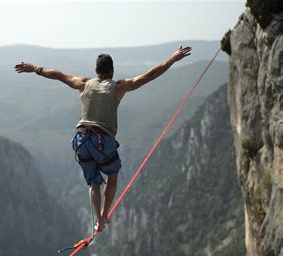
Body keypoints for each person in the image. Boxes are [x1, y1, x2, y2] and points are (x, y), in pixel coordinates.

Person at [14, 46, 192, 232]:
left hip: (81, 139)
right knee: (112, 176)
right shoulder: (118, 87)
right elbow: (148, 76)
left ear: (95, 71)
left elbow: (57, 74)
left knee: (94, 182)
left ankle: (96, 217)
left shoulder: (83, 83)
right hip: (102, 140)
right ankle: (103, 216)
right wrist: (172, 59)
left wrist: (35, 68)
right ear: (112, 71)